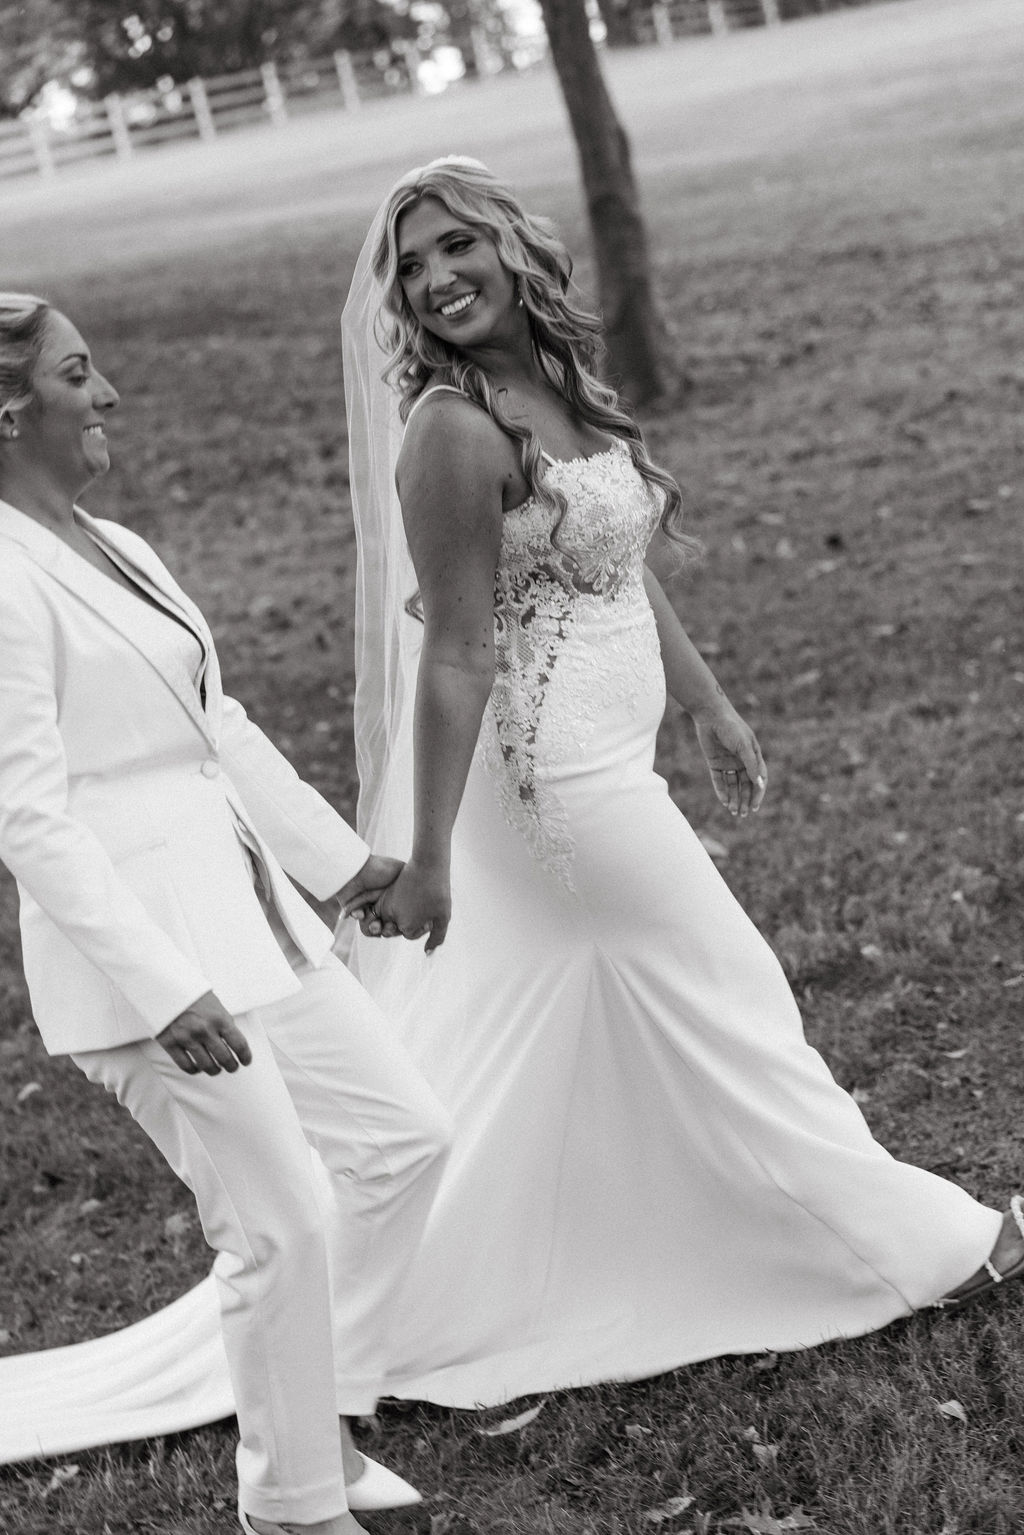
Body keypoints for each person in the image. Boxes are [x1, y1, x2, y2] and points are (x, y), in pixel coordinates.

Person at [332, 155, 1024, 1405]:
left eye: (454, 247)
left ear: (509, 247)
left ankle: (432, 1291)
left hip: (612, 761)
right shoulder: (449, 428)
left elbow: (612, 552)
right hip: (545, 794)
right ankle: (919, 1245)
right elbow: (452, 647)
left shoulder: (541, 383)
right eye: (413, 264)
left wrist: (703, 698)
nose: (437, 279)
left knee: (551, 1034)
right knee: (729, 985)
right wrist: (429, 856)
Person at [0, 291, 453, 1535]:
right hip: (149, 966)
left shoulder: (120, 543)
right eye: (78, 374)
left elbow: (220, 725)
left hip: (252, 919)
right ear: (7, 407)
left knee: (405, 1137)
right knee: (279, 1217)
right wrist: (162, 989)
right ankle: (293, 1503)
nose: (107, 395)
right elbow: (28, 818)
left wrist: (344, 865)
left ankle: (324, 1411)